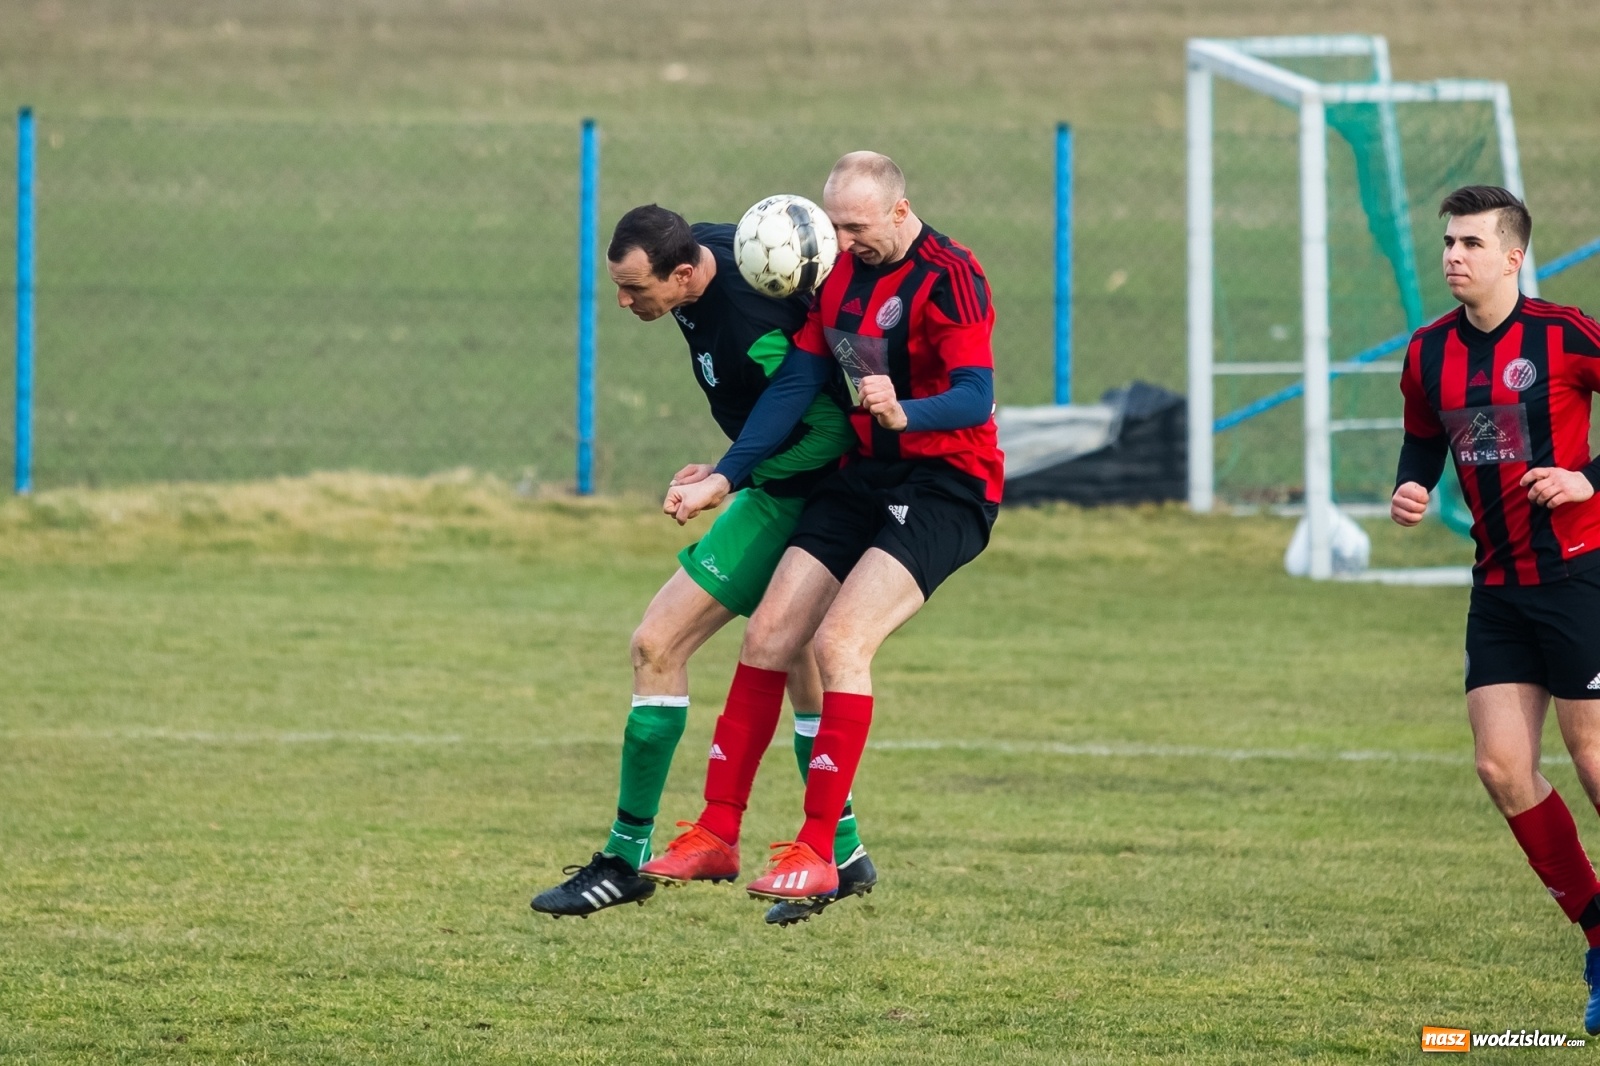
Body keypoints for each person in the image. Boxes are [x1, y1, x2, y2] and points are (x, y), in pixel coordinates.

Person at [637, 151, 1002, 910]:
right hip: (863, 480)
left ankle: (819, 850)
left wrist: (910, 411)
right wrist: (725, 477)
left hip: (945, 487)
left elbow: (976, 395)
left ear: (901, 212)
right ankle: (716, 832)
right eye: (833, 223)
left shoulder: (951, 275)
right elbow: (799, 380)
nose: (841, 239)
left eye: (856, 226)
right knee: (769, 635)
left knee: (839, 644)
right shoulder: (836, 273)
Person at [530, 204, 878, 922]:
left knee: (696, 648)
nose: (624, 302)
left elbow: (829, 432)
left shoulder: (751, 323)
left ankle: (629, 861)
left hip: (809, 500)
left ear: (683, 273)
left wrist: (732, 476)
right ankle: (840, 854)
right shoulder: (719, 251)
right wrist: (729, 464)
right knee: (745, 659)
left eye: (635, 290)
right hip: (770, 488)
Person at [1391, 185, 1600, 1032]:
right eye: (1448, 242)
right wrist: (1413, 483)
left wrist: (1592, 479)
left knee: (1593, 765)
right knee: (1502, 768)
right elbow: (1424, 434)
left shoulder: (1564, 333)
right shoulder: (1428, 350)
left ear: (1513, 257)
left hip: (1578, 576)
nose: (1453, 256)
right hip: (1498, 586)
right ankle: (1597, 932)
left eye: (1472, 243)